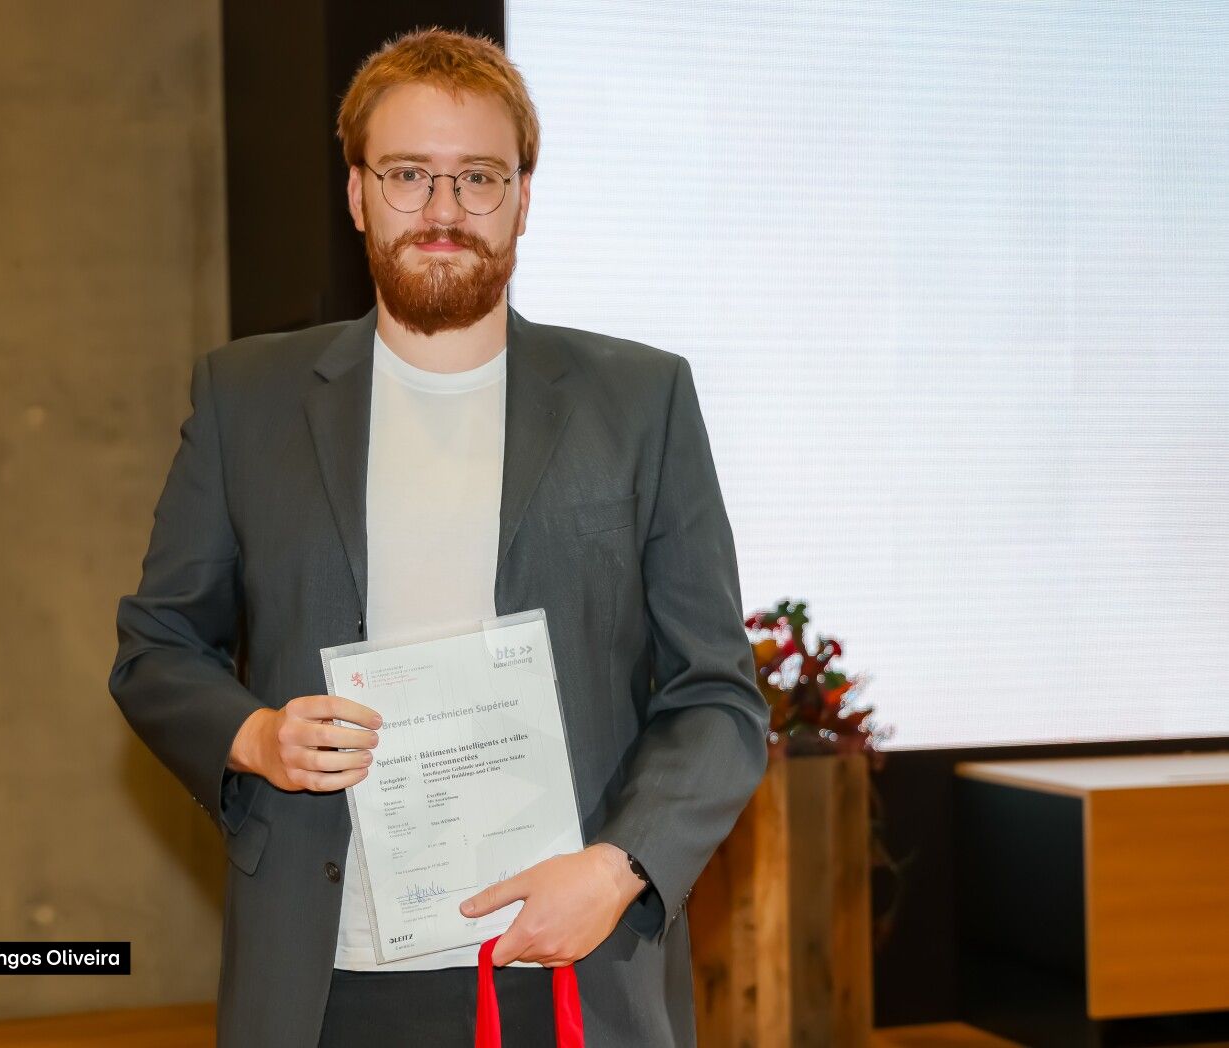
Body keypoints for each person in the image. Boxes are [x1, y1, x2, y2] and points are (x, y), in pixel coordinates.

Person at [109, 26, 769, 1048]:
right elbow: (157, 649)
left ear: (523, 198)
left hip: (569, 967)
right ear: (357, 192)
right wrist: (256, 737)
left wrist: (616, 870)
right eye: (410, 174)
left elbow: (717, 697)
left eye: (479, 178)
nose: (445, 210)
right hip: (325, 975)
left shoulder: (643, 403)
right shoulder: (248, 400)